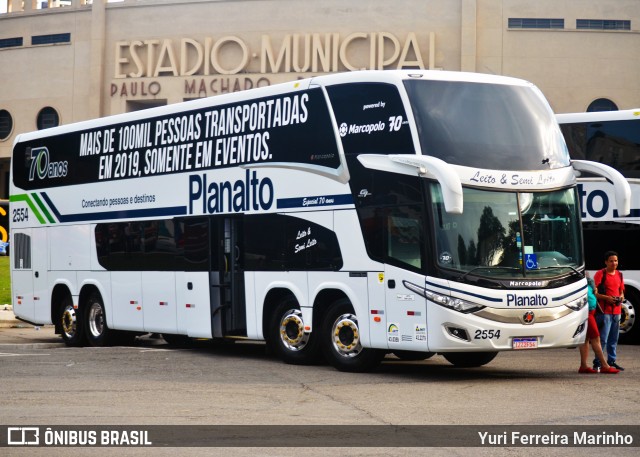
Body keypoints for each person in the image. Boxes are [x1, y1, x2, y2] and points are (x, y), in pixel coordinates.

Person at [578, 271, 619, 374]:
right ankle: (604, 365)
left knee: (586, 339)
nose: (587, 276)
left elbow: (594, 294)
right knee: (596, 338)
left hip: (591, 312)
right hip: (587, 313)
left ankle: (583, 365)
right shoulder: (579, 285)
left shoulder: (589, 283)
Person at [593, 251, 625, 371]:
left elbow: (621, 290)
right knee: (603, 338)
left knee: (613, 339)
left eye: (615, 261)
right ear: (606, 262)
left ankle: (611, 360)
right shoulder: (600, 274)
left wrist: (620, 297)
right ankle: (598, 362)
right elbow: (595, 293)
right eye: (611, 261)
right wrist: (607, 298)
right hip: (604, 311)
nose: (614, 263)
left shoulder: (619, 275)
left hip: (616, 311)